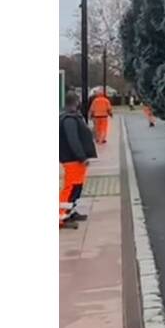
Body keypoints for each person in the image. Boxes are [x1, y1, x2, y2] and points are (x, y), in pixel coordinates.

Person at [59, 92, 96, 229]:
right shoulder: (69, 119)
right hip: (72, 159)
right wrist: (82, 157)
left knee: (77, 187)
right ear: (75, 102)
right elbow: (73, 140)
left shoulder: (71, 117)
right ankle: (61, 215)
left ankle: (70, 211)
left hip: (75, 159)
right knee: (71, 187)